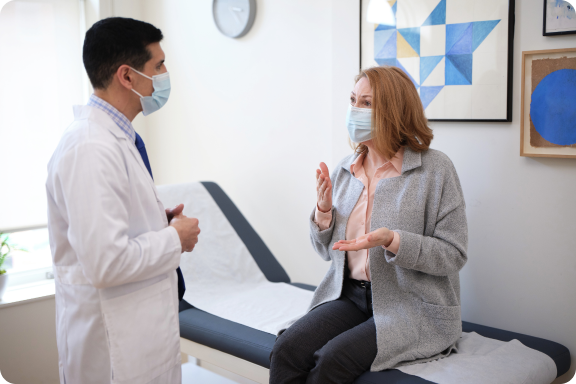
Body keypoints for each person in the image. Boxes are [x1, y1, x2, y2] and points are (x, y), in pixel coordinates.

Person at [269, 66, 468, 383]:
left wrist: (393, 240)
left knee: (331, 361)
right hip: (349, 297)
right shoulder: (345, 169)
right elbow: (325, 252)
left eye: (366, 103)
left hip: (410, 304)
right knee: (286, 351)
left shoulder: (435, 170)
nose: (354, 110)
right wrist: (323, 212)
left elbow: (453, 254)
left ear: (393, 111)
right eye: (352, 100)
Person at [46, 17, 200, 384]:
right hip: (113, 349)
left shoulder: (117, 137)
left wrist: (155, 222)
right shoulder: (90, 148)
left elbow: (110, 227)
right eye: (158, 65)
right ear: (127, 76)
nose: (165, 74)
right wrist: (174, 238)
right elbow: (105, 263)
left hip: (138, 334)